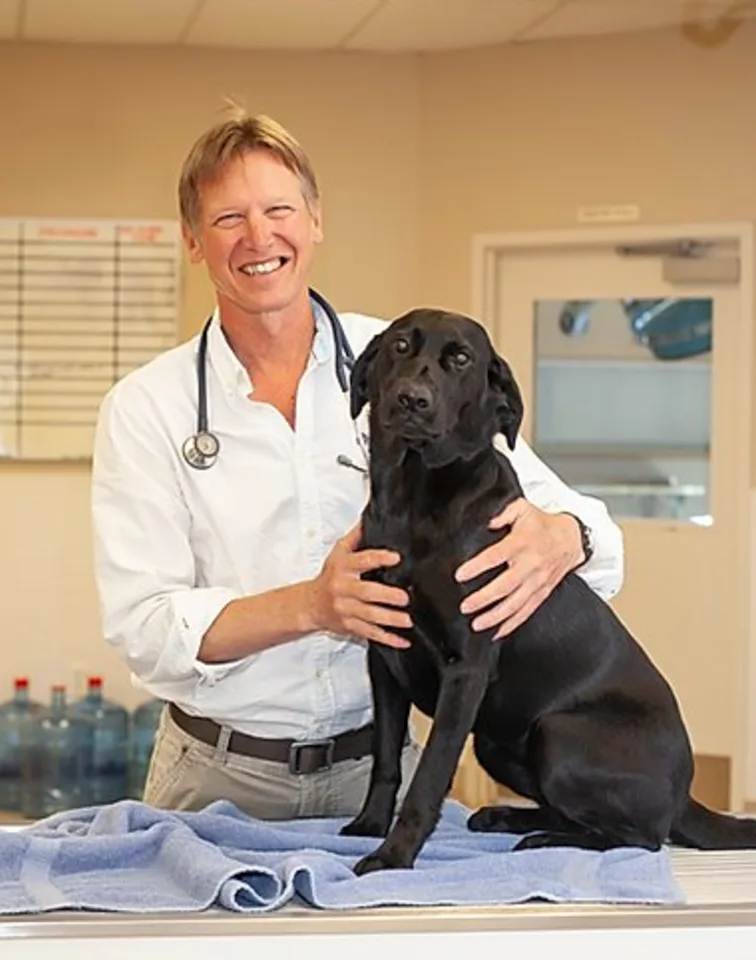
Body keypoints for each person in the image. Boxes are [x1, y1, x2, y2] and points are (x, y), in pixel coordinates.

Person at [89, 107, 623, 821]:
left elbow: (591, 534)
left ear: (315, 221)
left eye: (279, 209)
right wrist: (311, 605)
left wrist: (563, 536)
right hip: (213, 779)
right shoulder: (146, 407)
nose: (259, 237)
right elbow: (145, 629)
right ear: (192, 240)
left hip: (383, 776)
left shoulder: (406, 362)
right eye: (228, 219)